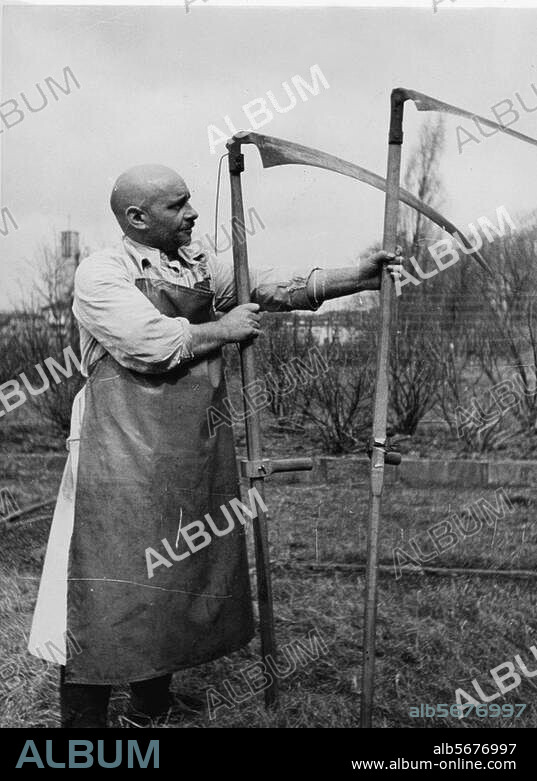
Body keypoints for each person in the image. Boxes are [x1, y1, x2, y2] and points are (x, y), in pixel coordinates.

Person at [28, 164, 402, 727]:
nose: (193, 213)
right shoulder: (100, 273)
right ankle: (83, 724)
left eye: (190, 201)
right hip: (115, 455)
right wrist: (224, 330)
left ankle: (149, 709)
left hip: (184, 450)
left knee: (172, 579)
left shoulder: (195, 265)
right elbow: (147, 344)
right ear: (136, 218)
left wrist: (360, 276)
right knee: (102, 587)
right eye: (177, 206)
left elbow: (273, 283)